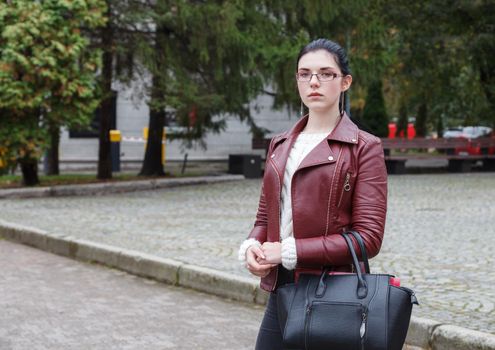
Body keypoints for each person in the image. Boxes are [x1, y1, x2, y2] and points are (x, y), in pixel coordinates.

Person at [238, 38, 388, 349]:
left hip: (332, 293)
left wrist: (289, 251)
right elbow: (267, 214)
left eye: (326, 73)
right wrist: (255, 245)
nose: (314, 82)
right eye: (304, 74)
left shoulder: (364, 147)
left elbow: (367, 239)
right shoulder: (280, 145)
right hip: (281, 289)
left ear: (345, 82)